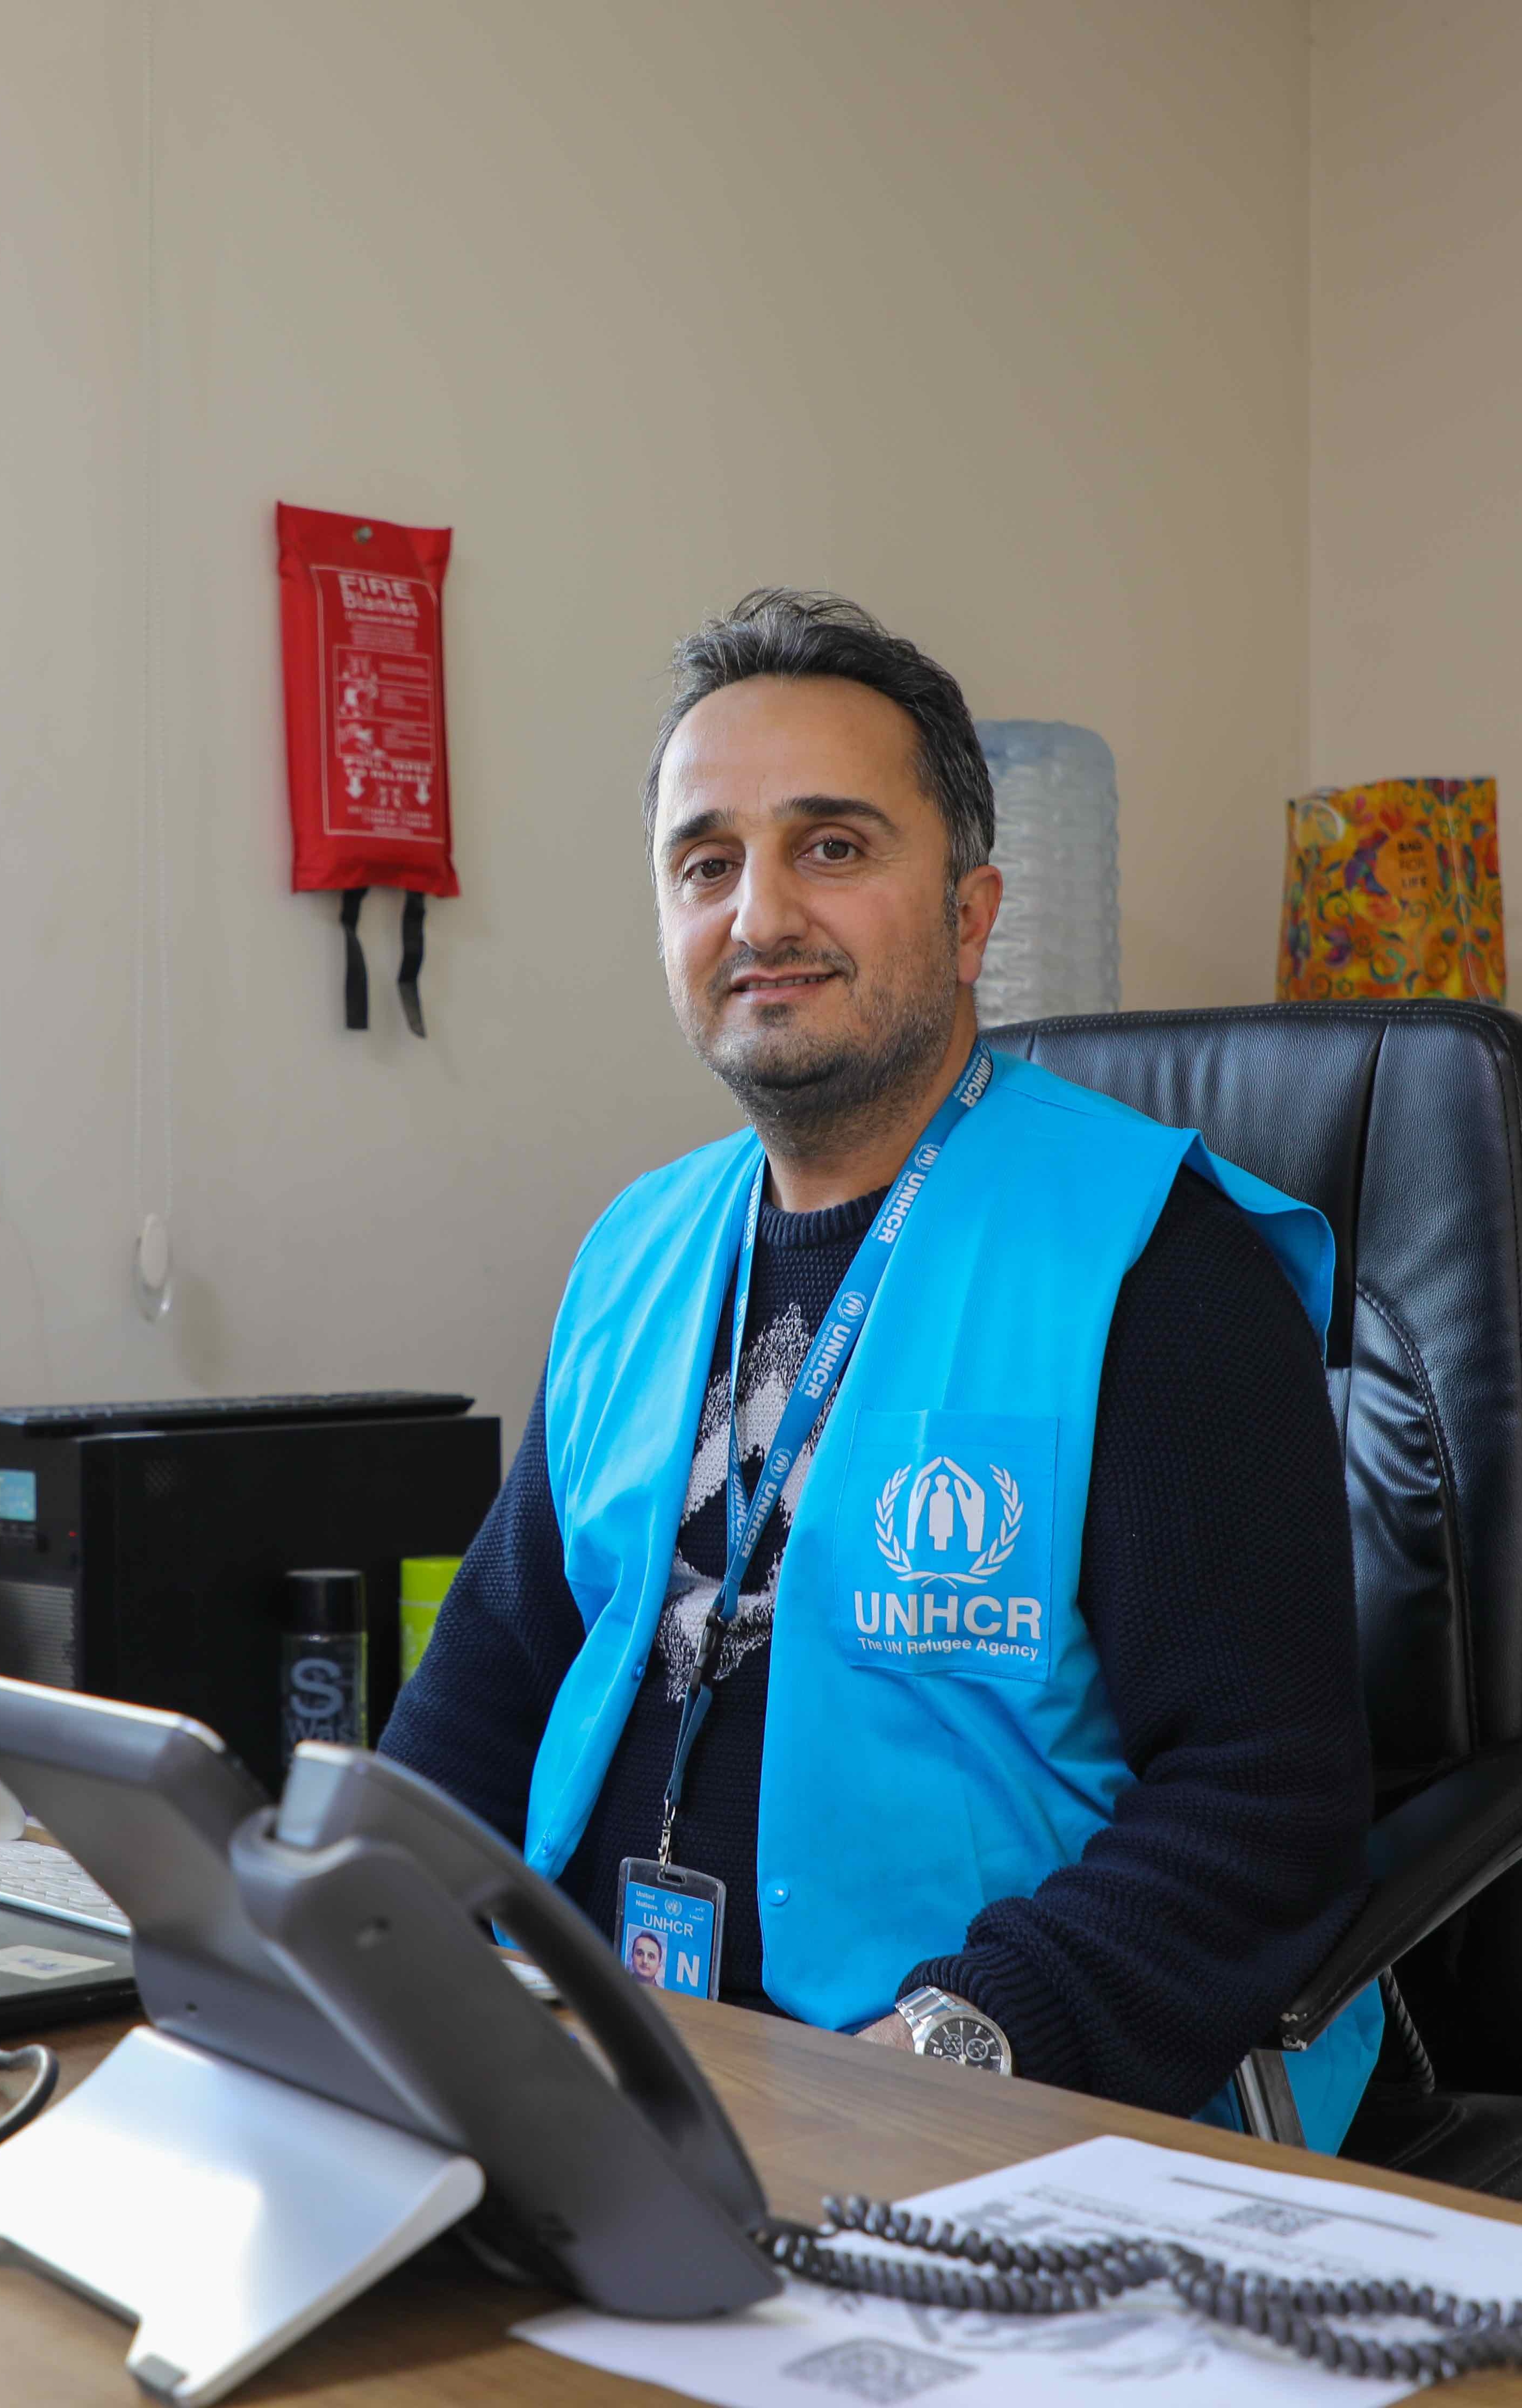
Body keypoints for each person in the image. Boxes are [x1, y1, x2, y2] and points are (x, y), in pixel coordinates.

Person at [379, 590, 1385, 2148]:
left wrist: (963, 2046)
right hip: (612, 2074)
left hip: (980, 2108)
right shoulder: (634, 1257)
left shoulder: (1156, 1266)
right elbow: (483, 1698)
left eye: (833, 847)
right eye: (706, 864)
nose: (761, 916)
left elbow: (1268, 1805)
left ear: (973, 914)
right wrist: (363, 1948)